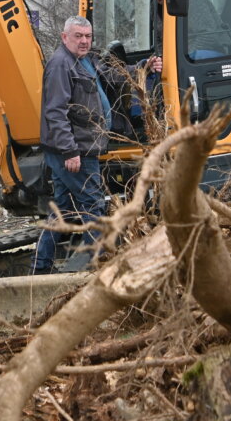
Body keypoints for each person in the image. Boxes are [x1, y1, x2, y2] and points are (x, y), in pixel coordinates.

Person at [33, 15, 161, 274]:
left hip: (81, 147)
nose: (83, 41)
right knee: (93, 205)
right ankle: (101, 270)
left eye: (87, 36)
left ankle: (40, 268)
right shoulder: (61, 65)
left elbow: (113, 76)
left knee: (64, 209)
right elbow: (55, 112)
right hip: (75, 150)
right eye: (78, 36)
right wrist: (70, 150)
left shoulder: (86, 60)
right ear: (64, 37)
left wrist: (143, 66)